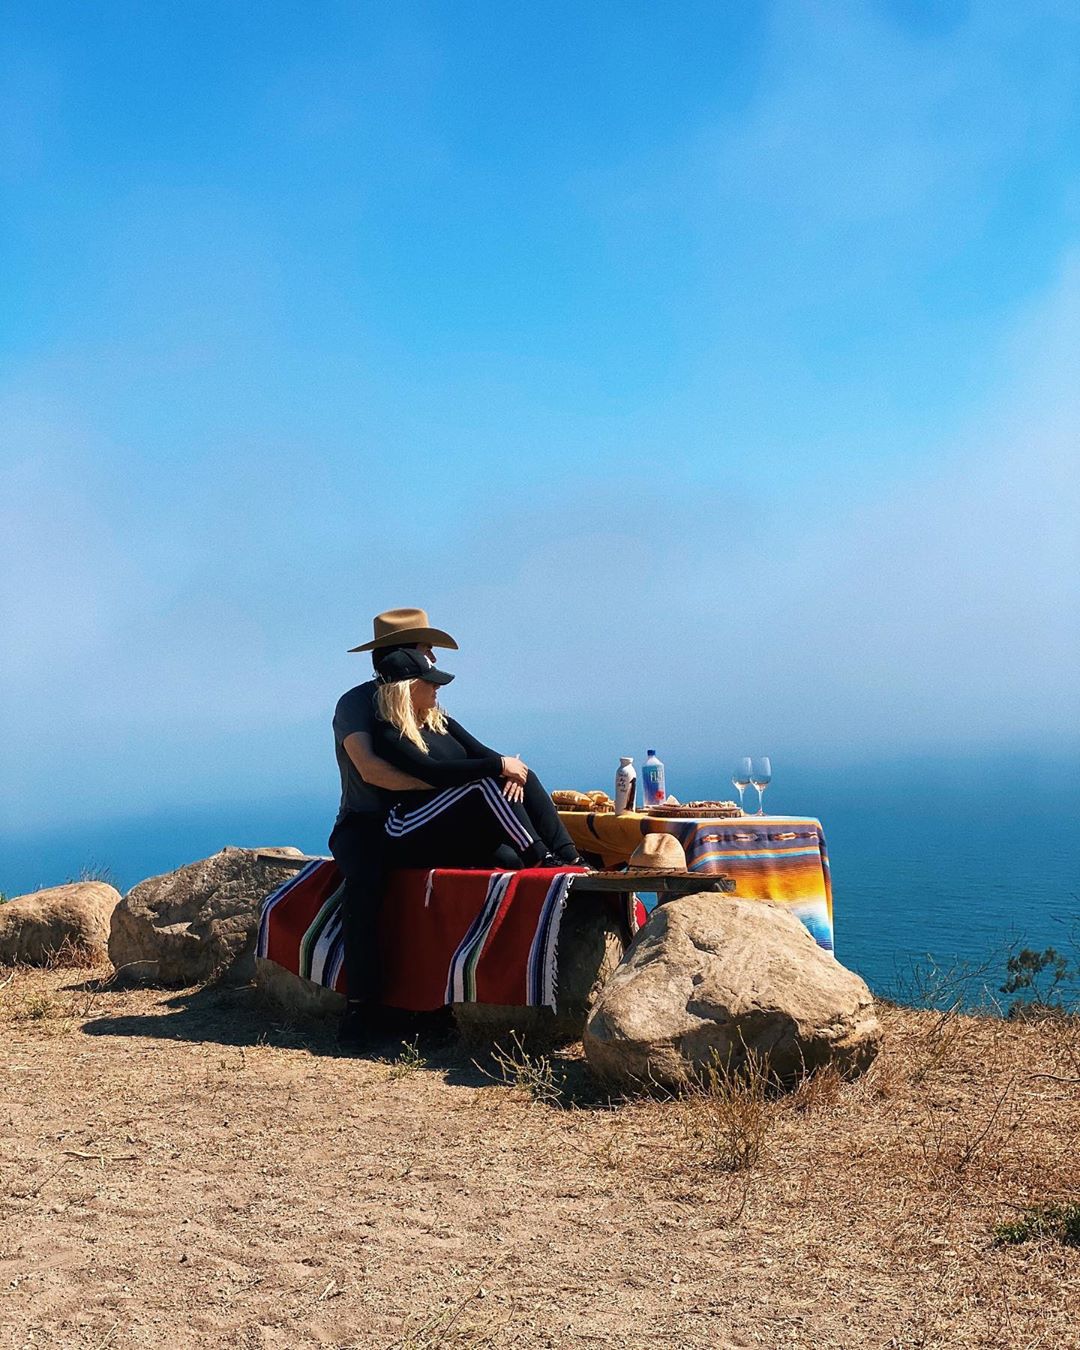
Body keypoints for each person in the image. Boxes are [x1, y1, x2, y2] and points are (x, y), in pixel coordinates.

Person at [329, 607, 458, 1048]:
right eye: (426, 649)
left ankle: (439, 1006)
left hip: (423, 820)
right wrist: (444, 786)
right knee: (364, 886)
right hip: (365, 823)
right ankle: (360, 1009)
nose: (434, 660)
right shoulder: (355, 704)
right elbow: (370, 770)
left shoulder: (425, 700)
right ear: (403, 654)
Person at [369, 647, 583, 870]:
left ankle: (571, 857)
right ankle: (540, 857)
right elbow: (433, 773)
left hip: (451, 821)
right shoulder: (389, 734)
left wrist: (513, 771)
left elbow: (483, 753)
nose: (437, 687)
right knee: (483, 784)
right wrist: (500, 765)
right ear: (408, 687)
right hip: (407, 826)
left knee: (523, 776)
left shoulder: (441, 723)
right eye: (430, 682)